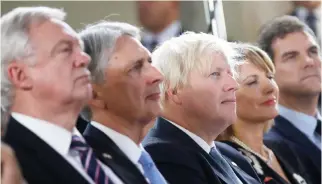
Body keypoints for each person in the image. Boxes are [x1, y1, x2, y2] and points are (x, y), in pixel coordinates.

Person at [2, 7, 117, 184]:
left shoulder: (105, 149)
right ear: (20, 75)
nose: (84, 59)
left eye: (80, 48)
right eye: (65, 50)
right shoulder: (8, 164)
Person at [142, 32, 261, 184]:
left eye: (230, 74)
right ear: (175, 91)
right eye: (215, 74)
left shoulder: (230, 153)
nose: (233, 85)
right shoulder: (165, 157)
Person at [79, 21, 167, 184]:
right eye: (136, 67)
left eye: (150, 62)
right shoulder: (90, 169)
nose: (157, 76)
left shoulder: (141, 158)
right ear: (93, 94)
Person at [217, 44, 311, 184]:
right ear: (225, 97)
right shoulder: (224, 159)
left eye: (270, 77)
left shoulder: (286, 149)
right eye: (252, 82)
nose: (270, 87)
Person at [258, 15, 321, 183]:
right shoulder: (268, 144)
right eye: (291, 56)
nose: (309, 62)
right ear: (269, 73)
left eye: (313, 51)